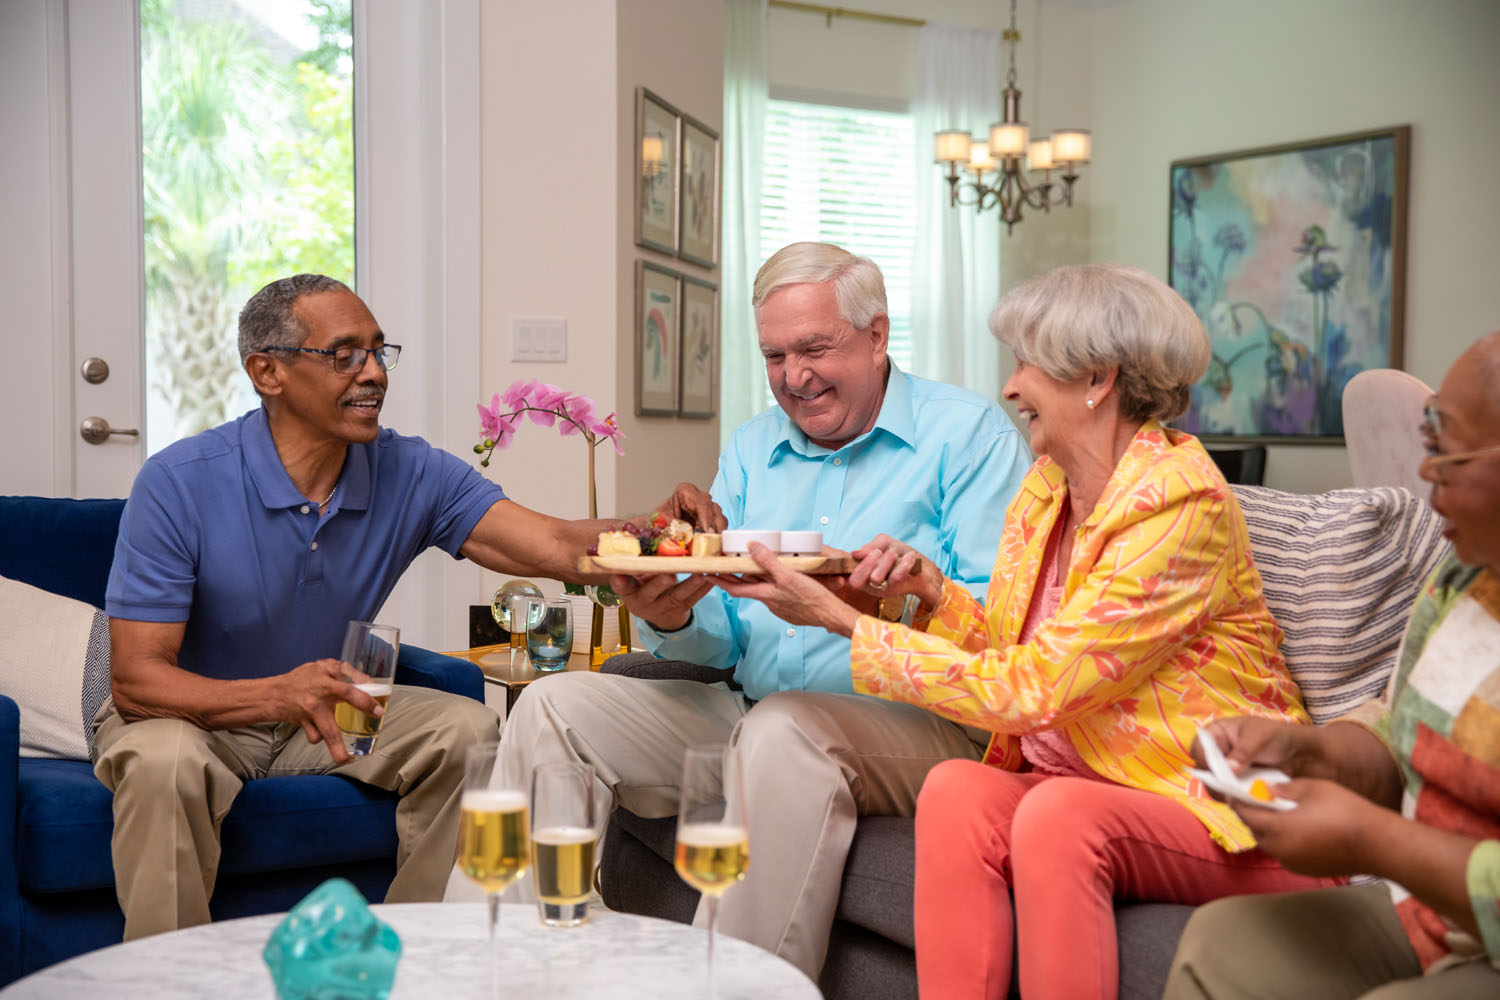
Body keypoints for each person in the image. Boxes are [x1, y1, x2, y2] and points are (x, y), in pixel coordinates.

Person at [720, 263, 1339, 999]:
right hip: (1088, 777)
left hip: (1223, 801)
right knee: (956, 788)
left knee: (1057, 813)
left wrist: (844, 624)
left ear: (1097, 379)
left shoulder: (1181, 506)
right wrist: (932, 593)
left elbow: (1038, 690)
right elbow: (1015, 654)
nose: (1010, 388)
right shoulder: (1048, 489)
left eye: (1026, 363)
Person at [450, 242, 1032, 979]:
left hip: (921, 723)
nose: (795, 378)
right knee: (555, 705)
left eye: (815, 348)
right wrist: (668, 613)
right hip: (752, 709)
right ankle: (483, 971)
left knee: (788, 729)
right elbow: (720, 645)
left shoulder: (969, 436)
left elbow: (1000, 631)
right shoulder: (754, 445)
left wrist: (866, 609)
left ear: (878, 336)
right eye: (775, 356)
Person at [96, 273, 713, 941]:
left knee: (467, 734)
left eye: (379, 352)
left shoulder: (412, 472)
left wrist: (655, 535)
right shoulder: (179, 481)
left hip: (326, 707)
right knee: (165, 766)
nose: (373, 374)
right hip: (192, 713)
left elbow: (556, 543)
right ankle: (166, 982)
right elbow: (136, 681)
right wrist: (276, 694)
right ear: (267, 372)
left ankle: (420, 961)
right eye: (345, 355)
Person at [1164, 331, 1500, 1000]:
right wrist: (1307, 751)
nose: (1427, 494)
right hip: (1436, 915)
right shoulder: (1461, 581)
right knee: (1221, 942)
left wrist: (1370, 842)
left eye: (1446, 458)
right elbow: (1397, 730)